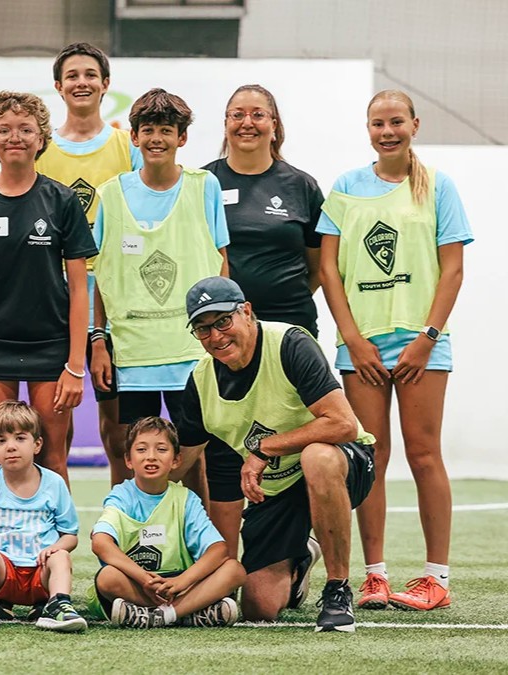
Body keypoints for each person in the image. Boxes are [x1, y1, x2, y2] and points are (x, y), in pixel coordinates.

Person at [318, 90, 472, 612]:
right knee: (371, 459)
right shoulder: (345, 188)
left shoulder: (439, 187)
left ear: (414, 124)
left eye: (397, 122)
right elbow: (328, 272)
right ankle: (375, 577)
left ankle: (436, 579)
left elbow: (452, 270)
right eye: (379, 124)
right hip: (360, 349)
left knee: (425, 454)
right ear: (368, 131)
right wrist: (354, 340)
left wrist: (426, 339)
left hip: (422, 346)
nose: (388, 131)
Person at [174, 276, 377, 633]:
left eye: (223, 321)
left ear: (246, 312)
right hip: (276, 490)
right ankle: (302, 556)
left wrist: (263, 448)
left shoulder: (290, 343)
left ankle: (337, 589)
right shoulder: (201, 382)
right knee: (258, 606)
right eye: (204, 329)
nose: (217, 336)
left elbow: (343, 424)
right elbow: (183, 465)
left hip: (345, 462)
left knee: (317, 457)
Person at [0, 91, 98, 483]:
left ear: (41, 139)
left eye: (26, 129)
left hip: (51, 347)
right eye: (6, 129)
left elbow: (80, 289)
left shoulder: (62, 201)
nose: (16, 137)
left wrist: (75, 367)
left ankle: (58, 545)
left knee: (52, 458)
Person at [202, 84, 327, 561]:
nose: (247, 122)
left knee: (300, 439)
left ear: (275, 125)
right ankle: (219, 555)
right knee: (226, 440)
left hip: (289, 334)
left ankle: (303, 542)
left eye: (259, 114)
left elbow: (316, 268)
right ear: (226, 123)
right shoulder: (204, 181)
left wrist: (268, 323)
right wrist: (229, 323)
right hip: (223, 340)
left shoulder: (301, 186)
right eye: (237, 114)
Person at [90, 88, 229, 499]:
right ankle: (137, 539)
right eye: (147, 130)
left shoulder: (205, 187)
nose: (156, 138)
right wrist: (99, 339)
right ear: (133, 137)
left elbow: (222, 266)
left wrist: (223, 336)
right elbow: (102, 275)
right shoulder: (110, 194)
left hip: (193, 353)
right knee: (137, 451)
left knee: (196, 454)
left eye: (166, 130)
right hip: (134, 354)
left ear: (181, 138)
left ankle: (199, 542)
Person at [35, 42, 142, 486]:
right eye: (72, 76)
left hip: (115, 304)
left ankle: (119, 526)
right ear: (59, 87)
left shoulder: (126, 147)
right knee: (52, 428)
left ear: (105, 84)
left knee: (118, 433)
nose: (82, 82)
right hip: (51, 301)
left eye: (90, 74)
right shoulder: (41, 149)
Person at [91, 416, 245, 629]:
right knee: (108, 577)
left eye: (161, 449)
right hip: (137, 582)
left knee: (234, 570)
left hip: (181, 583)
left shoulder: (185, 499)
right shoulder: (121, 496)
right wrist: (144, 579)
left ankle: (164, 614)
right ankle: (191, 612)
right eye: (142, 450)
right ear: (128, 459)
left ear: (176, 460)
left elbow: (218, 550)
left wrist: (181, 582)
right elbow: (100, 543)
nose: (151, 457)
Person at [0, 401, 86, 633]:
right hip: (4, 574)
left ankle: (58, 604)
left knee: (60, 556)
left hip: (41, 572)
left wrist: (56, 547)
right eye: (1, 441)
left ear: (37, 444)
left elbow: (70, 535)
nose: (11, 447)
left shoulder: (54, 484)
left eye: (20, 438)